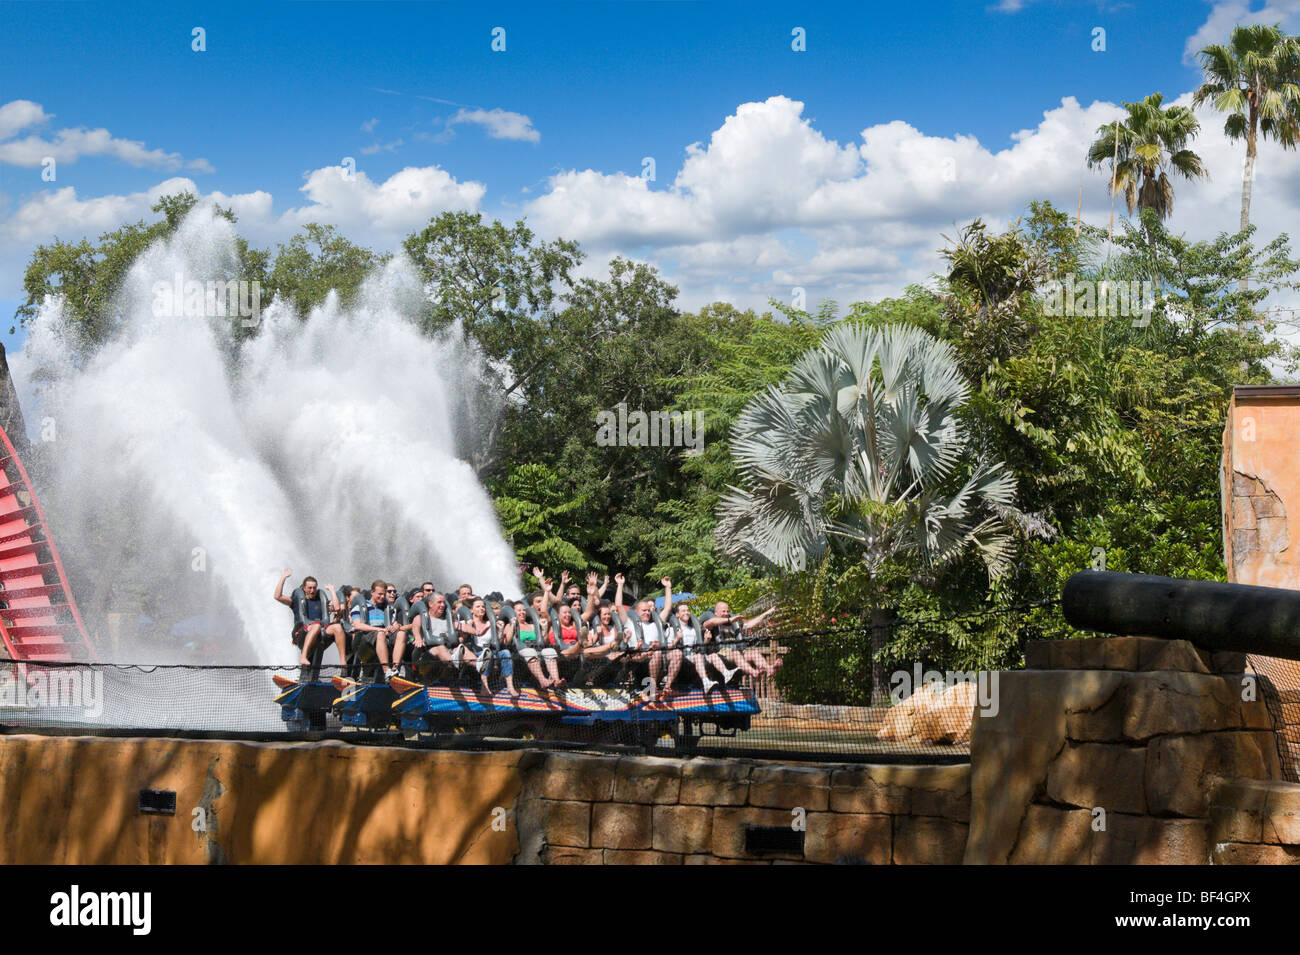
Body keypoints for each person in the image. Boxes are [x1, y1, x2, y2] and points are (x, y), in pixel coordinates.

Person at [616, 574, 680, 699]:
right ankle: (653, 688)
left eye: (648, 610)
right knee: (653, 654)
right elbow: (619, 606)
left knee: (677, 653)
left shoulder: (655, 623)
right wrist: (620, 585)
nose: (647, 612)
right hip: (637, 658)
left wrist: (667, 588)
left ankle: (667, 686)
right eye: (643, 610)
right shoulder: (629, 622)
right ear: (636, 611)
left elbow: (667, 608)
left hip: (656, 657)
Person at [274, 571, 346, 668]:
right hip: (302, 634)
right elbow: (277, 596)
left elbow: (337, 608)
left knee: (337, 627)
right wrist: (283, 577)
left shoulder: (321, 601)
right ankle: (303, 657)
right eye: (310, 588)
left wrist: (332, 590)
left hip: (319, 633)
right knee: (316, 626)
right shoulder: (296, 601)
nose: (312, 590)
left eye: (314, 588)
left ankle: (343, 663)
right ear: (304, 588)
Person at [669, 600, 734, 693]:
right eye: (683, 611)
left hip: (694, 658)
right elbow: (667, 648)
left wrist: (706, 640)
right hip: (681, 659)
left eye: (687, 610)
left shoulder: (693, 630)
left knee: (712, 655)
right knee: (698, 656)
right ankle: (705, 681)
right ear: (677, 614)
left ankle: (726, 673)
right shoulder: (672, 629)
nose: (686, 613)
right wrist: (676, 639)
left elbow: (700, 647)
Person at [701, 603, 780, 677]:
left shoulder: (734, 623)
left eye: (727, 611)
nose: (726, 613)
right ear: (716, 613)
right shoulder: (712, 624)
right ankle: (754, 673)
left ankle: (769, 669)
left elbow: (750, 625)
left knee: (754, 653)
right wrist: (730, 620)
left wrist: (766, 613)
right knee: (736, 654)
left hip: (736, 654)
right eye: (723, 611)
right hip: (721, 656)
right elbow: (710, 622)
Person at [350, 579, 404, 681]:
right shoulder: (360, 607)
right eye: (379, 594)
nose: (382, 597)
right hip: (366, 638)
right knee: (380, 634)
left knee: (401, 633)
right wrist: (379, 629)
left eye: (384, 594)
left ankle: (394, 669)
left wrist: (396, 626)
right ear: (372, 592)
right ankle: (386, 670)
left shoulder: (387, 608)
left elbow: (394, 623)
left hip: (384, 635)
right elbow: (357, 625)